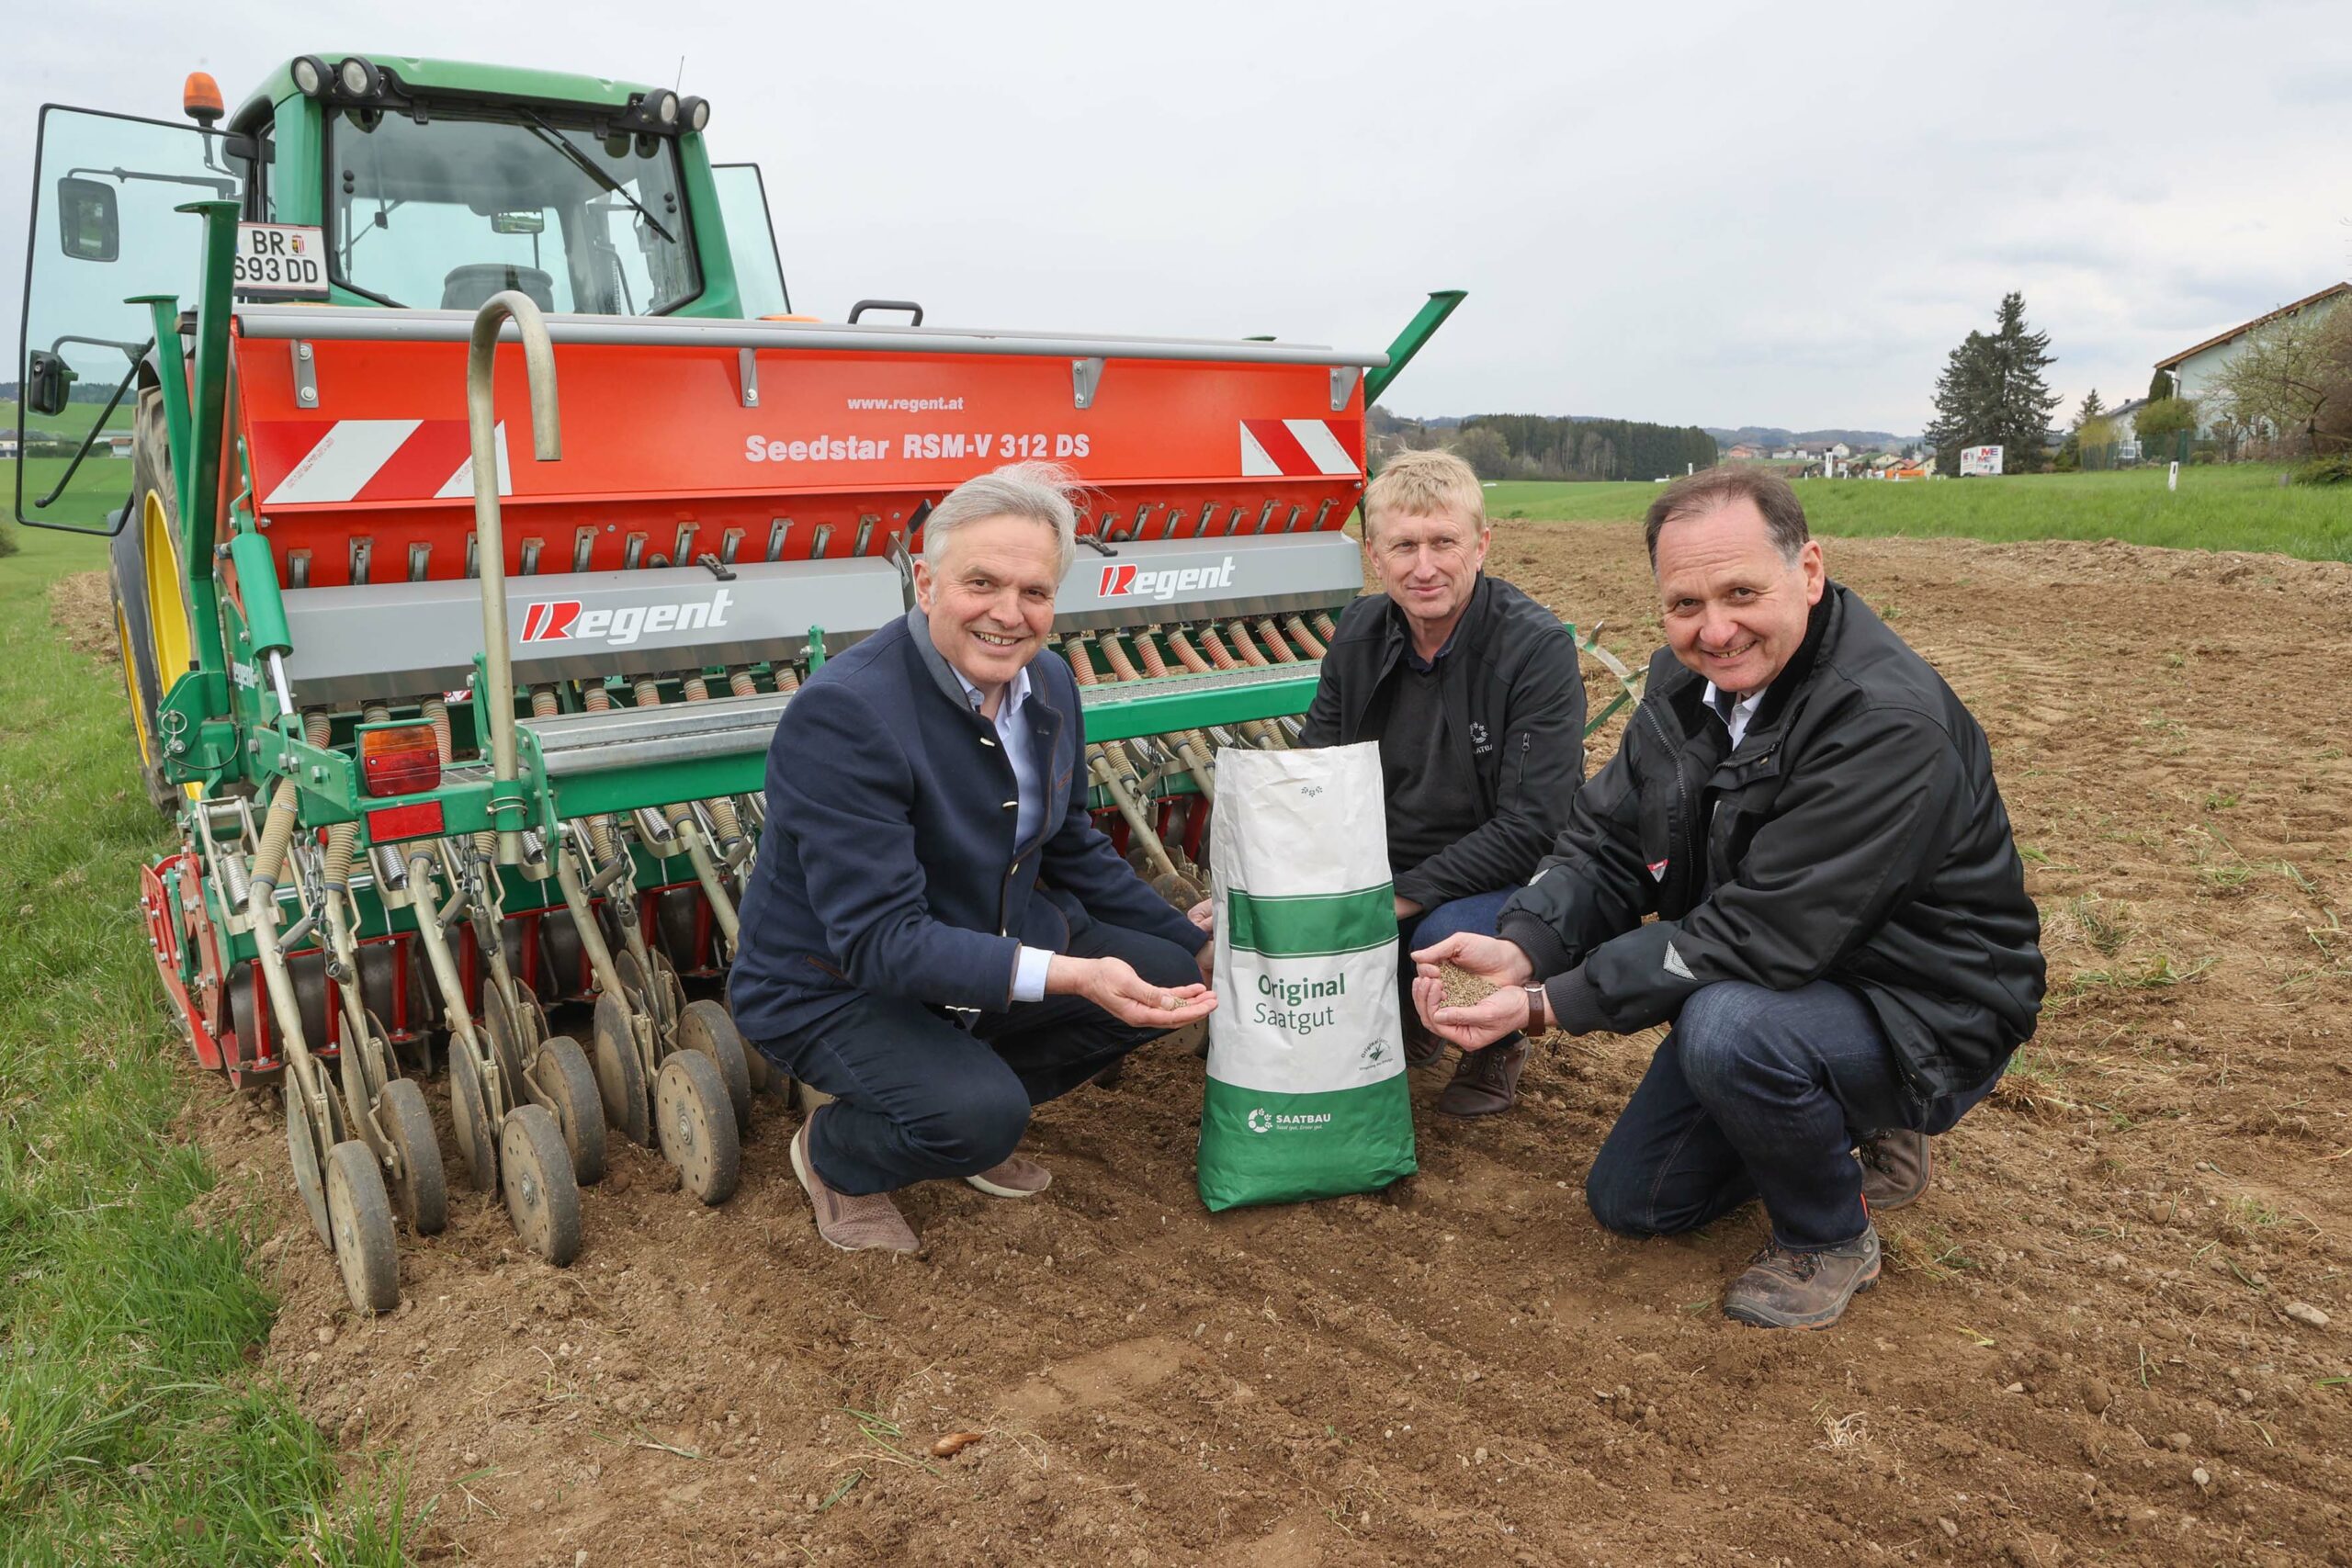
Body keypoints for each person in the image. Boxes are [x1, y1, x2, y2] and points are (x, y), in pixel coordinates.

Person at [1411, 467, 2043, 1329]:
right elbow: (1606, 837)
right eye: (1684, 604)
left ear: (1809, 572)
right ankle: (1843, 1112)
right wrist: (1525, 942)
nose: (1715, 628)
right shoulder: (1688, 687)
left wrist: (1544, 1004)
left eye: (1742, 591)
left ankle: (1829, 1232)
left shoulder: (1885, 724)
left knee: (1726, 1026)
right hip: (1787, 975)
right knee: (1637, 1199)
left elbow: (1757, 933)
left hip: (1922, 1002)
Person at [729, 463, 1218, 1253]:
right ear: (925, 583)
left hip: (975, 949)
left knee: (1169, 976)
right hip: (833, 984)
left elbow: (1066, 842)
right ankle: (837, 1152)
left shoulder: (1049, 681)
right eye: (981, 582)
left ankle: (959, 1096)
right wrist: (1074, 974)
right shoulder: (847, 714)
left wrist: (1193, 941)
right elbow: (881, 941)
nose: (1008, 613)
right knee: (978, 1115)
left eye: (1035, 592)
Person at [1302, 447, 1586, 1116]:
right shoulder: (1358, 633)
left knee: (1446, 935)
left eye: (1443, 542)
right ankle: (1415, 1014)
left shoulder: (1534, 648)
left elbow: (1533, 826)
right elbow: (1315, 770)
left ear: (1481, 544)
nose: (1423, 567)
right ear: (1374, 553)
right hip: (1393, 863)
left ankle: (1494, 1039)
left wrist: (1391, 900)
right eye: (1403, 545)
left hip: (1510, 874)